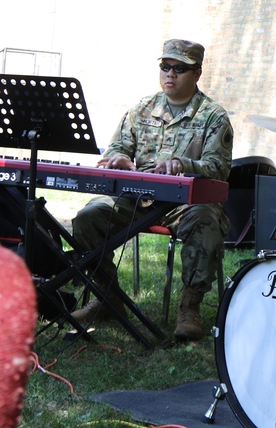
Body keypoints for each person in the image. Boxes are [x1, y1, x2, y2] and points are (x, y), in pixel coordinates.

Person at [71, 39, 233, 341]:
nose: (170, 74)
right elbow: (118, 146)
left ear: (197, 73)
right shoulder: (142, 108)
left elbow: (218, 167)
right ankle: (107, 298)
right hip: (137, 197)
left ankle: (190, 308)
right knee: (89, 217)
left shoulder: (213, 116)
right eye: (165, 66)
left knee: (205, 220)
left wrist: (184, 164)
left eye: (180, 68)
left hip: (184, 202)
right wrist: (117, 158)